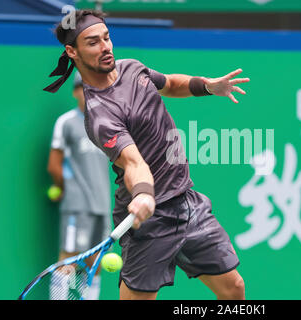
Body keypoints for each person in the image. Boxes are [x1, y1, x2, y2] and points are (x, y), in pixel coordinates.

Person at [45, 9, 249, 300]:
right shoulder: (100, 115)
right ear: (72, 51)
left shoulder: (132, 68)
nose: (105, 47)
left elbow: (171, 84)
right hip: (147, 220)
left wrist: (207, 86)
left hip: (188, 202)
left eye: (107, 38)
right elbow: (133, 162)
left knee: (234, 289)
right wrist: (142, 193)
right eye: (93, 42)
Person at [47, 71, 112, 300]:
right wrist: (66, 189)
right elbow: (54, 166)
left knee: (96, 261)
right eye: (85, 88)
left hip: (102, 205)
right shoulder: (66, 123)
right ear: (76, 92)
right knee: (69, 257)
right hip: (76, 204)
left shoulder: (107, 125)